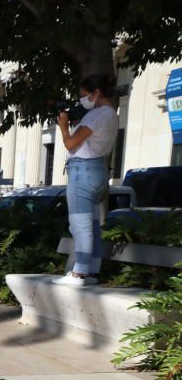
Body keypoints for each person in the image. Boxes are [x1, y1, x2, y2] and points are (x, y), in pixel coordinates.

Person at [53, 74, 119, 286]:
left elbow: (71, 144)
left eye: (84, 95)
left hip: (84, 172)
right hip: (99, 169)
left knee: (80, 224)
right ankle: (91, 272)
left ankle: (79, 272)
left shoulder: (95, 115)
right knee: (93, 225)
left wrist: (64, 127)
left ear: (96, 93)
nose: (83, 100)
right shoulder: (112, 114)